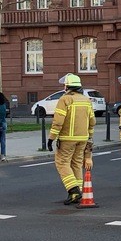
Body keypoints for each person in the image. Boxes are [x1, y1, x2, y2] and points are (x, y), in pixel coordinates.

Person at [48, 73, 96, 205]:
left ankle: (73, 190)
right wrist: (89, 137)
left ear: (67, 86)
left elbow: (58, 122)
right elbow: (92, 121)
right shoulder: (86, 100)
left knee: (62, 163)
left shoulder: (65, 99)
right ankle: (78, 192)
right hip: (83, 138)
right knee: (76, 164)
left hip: (67, 138)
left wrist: (51, 138)